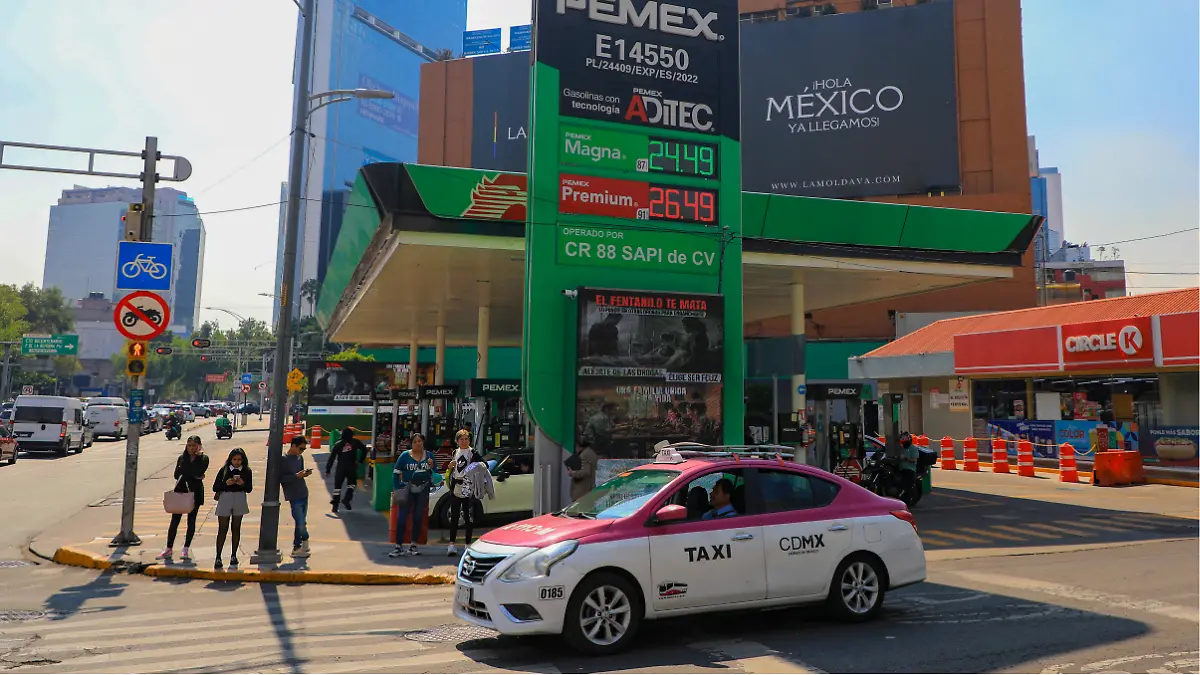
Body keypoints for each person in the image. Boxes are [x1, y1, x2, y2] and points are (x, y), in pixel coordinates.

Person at [159, 435, 209, 559]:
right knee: (174, 521)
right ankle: (169, 548)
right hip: (181, 491)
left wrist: (190, 472)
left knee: (191, 521)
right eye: (189, 445)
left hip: (195, 493)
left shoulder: (203, 458)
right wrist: (192, 474)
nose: (191, 448)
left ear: (199, 446)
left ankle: (186, 548)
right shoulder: (182, 458)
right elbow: (177, 474)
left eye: (194, 446)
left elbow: (198, 471)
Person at [390, 432, 437, 558]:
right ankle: (398, 546)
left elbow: (435, 473)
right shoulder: (405, 456)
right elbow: (395, 473)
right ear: (411, 444)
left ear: (423, 442)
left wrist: (432, 466)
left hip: (422, 490)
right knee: (402, 517)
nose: (418, 444)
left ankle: (413, 545)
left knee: (418, 517)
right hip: (407, 490)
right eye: (415, 442)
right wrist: (397, 488)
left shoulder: (429, 456)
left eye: (420, 441)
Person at [444, 430, 487, 556]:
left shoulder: (473, 453)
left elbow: (484, 465)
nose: (464, 441)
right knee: (455, 516)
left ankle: (467, 544)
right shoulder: (455, 452)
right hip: (456, 485)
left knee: (468, 516)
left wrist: (472, 467)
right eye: (461, 439)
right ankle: (451, 544)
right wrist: (450, 467)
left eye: (466, 439)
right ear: (457, 441)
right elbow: (452, 470)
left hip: (468, 485)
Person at [212, 447, 252, 568]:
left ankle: (234, 555)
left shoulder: (246, 471)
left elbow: (249, 488)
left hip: (239, 498)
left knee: (236, 527)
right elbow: (215, 487)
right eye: (234, 459)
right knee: (223, 528)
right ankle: (218, 556)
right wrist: (226, 484)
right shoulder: (224, 470)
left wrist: (242, 484)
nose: (237, 462)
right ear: (230, 459)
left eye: (239, 459)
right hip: (226, 498)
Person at [280, 435, 313, 558]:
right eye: (301, 448)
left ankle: (297, 546)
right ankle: (304, 541)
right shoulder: (283, 459)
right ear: (293, 446)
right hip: (293, 495)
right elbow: (281, 478)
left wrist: (304, 474)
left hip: (303, 492)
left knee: (301, 521)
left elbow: (300, 472)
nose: (302, 451)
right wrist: (296, 476)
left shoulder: (300, 458)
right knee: (300, 522)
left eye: (304, 449)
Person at [325, 427, 366, 513]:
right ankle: (347, 498)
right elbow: (364, 450)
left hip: (340, 467)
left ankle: (335, 506)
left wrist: (328, 469)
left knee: (337, 487)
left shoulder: (338, 444)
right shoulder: (355, 442)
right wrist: (360, 461)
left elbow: (332, 458)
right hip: (352, 467)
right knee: (352, 484)